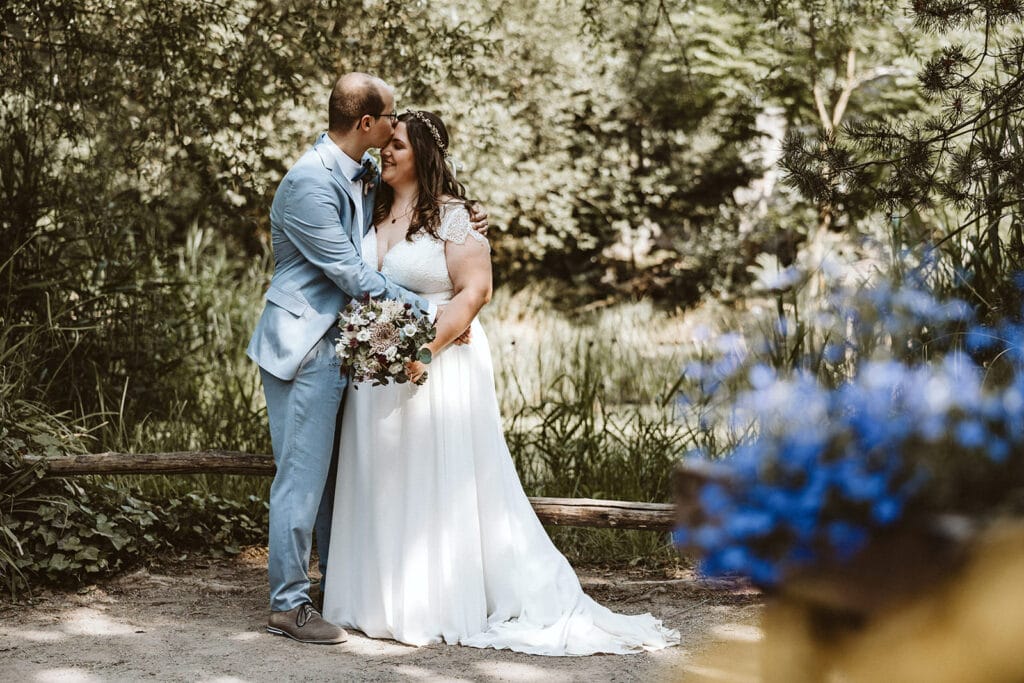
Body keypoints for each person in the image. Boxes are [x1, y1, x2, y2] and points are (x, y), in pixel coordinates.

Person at [322, 111, 680, 655]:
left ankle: (433, 601)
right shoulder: (368, 204)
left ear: (424, 154)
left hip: (441, 363)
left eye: (397, 145)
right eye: (384, 144)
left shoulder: (455, 217)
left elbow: (476, 292)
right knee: (385, 476)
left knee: (437, 477)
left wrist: (424, 351)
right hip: (379, 368)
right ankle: (378, 601)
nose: (384, 152)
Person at [246, 74, 485, 644]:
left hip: (348, 349)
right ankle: (288, 605)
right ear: (366, 123)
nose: (393, 130)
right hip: (305, 343)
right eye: (390, 119)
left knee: (340, 480)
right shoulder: (309, 182)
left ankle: (338, 589)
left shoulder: (365, 174)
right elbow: (351, 274)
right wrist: (430, 313)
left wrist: (468, 217)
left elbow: (423, 206)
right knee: (303, 480)